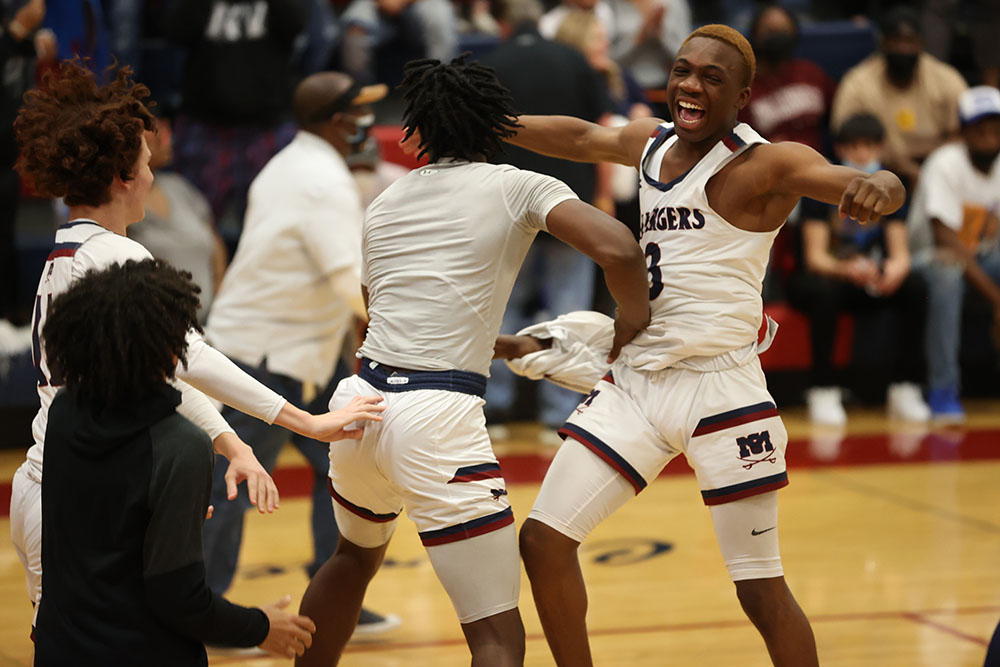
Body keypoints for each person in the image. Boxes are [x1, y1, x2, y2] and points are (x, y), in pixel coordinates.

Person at [492, 23, 906, 666]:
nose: (689, 84)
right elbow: (580, 136)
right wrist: (488, 122)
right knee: (544, 542)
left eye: (712, 78)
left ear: (742, 97)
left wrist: (882, 185)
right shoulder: (650, 144)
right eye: (683, 70)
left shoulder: (767, 162)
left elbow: (860, 178)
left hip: (723, 389)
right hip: (641, 382)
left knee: (760, 591)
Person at [295, 55, 650, 667]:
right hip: (438, 419)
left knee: (350, 561)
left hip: (362, 405)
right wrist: (631, 327)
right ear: (494, 125)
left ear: (419, 132)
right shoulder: (518, 184)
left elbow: (385, 311)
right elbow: (619, 248)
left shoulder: (384, 202)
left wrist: (505, 344)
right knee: (495, 634)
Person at [8, 59, 383, 634]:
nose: (155, 176)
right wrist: (307, 422)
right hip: (84, 495)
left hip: (49, 486)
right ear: (122, 177)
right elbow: (192, 359)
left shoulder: (64, 253)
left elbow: (167, 374)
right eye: (147, 163)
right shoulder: (118, 257)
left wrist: (232, 443)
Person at [35, 259, 316, 664]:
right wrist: (261, 627)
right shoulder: (181, 446)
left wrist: (163, 518)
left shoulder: (63, 412)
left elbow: (99, 526)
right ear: (171, 350)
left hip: (59, 649)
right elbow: (180, 600)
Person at [203, 70, 399, 634]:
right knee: (230, 481)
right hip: (264, 355)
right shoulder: (322, 180)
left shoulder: (289, 162)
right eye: (360, 112)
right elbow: (350, 283)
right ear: (340, 122)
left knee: (341, 474)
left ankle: (333, 600)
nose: (368, 122)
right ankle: (205, 616)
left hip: (297, 353)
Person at [479, 0, 615, 436]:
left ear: (500, 23)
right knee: (568, 307)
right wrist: (603, 196)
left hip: (505, 205)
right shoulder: (572, 59)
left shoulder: (488, 62)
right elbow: (597, 130)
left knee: (501, 306)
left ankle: (493, 408)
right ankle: (562, 411)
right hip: (568, 204)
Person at [787, 113, 928, 425]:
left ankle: (906, 387)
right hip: (823, 278)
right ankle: (823, 389)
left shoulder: (890, 190)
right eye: (853, 147)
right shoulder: (820, 189)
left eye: (869, 146)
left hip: (866, 276)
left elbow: (900, 252)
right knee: (826, 293)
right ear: (839, 150)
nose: (862, 154)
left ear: (881, 148)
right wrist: (848, 269)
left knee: (916, 286)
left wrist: (894, 270)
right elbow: (815, 258)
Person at [165, 0, 306, 222]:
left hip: (265, 124)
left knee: (270, 221)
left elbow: (297, 24)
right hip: (205, 123)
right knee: (195, 224)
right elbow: (175, 31)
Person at [907, 85, 1000, 422]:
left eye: (996, 129)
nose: (990, 137)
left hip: (983, 257)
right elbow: (945, 239)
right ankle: (943, 389)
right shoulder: (945, 163)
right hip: (926, 257)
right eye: (981, 129)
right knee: (948, 271)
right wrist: (996, 300)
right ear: (963, 131)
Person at [830, 5, 967, 189]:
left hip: (938, 169)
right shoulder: (857, 82)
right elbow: (845, 137)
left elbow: (964, 135)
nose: (903, 48)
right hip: (875, 173)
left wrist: (929, 166)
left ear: (921, 43)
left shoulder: (946, 78)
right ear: (882, 42)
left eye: (910, 41)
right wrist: (906, 168)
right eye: (896, 41)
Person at [129, 115, 229, 323]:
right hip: (155, 327)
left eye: (165, 131)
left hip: (211, 324)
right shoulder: (121, 202)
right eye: (155, 133)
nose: (165, 138)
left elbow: (214, 241)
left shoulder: (179, 187)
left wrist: (221, 295)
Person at [739, 3, 835, 153]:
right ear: (755, 35)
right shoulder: (746, 86)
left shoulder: (812, 73)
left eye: (783, 31)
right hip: (770, 166)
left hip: (818, 163)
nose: (777, 36)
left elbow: (838, 119)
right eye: (770, 31)